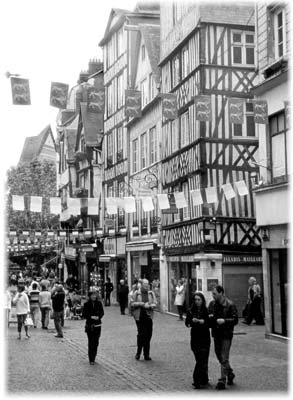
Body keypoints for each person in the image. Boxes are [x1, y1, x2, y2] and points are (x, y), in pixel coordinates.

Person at [208, 285, 238, 390]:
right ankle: (230, 373)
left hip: (226, 334)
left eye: (214, 293)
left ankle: (222, 380)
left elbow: (235, 320)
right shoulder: (212, 304)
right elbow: (209, 317)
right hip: (216, 334)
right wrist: (210, 318)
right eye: (212, 293)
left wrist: (224, 321)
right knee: (219, 356)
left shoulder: (230, 304)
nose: (213, 295)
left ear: (221, 293)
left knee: (224, 356)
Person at [185, 292, 211, 389]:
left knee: (203, 359)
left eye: (199, 300)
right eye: (195, 300)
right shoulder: (191, 311)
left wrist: (204, 322)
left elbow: (210, 323)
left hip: (205, 337)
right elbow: (187, 323)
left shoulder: (206, 310)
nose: (197, 302)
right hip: (195, 338)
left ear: (202, 300)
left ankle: (200, 379)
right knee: (199, 359)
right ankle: (200, 379)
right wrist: (192, 321)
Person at [130, 278, 157, 361]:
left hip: (149, 316)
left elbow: (155, 303)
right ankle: (138, 353)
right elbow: (132, 303)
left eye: (147, 284)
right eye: (145, 284)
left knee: (149, 335)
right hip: (140, 316)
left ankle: (146, 354)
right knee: (142, 335)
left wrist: (151, 305)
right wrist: (142, 304)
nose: (146, 286)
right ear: (141, 285)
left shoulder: (151, 293)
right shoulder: (136, 293)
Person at [82, 291, 104, 365]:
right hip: (90, 325)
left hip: (97, 325)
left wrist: (98, 317)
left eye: (95, 295)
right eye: (92, 295)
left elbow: (102, 312)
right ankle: (91, 358)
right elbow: (84, 314)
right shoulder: (86, 304)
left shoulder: (99, 304)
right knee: (91, 342)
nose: (94, 297)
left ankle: (94, 356)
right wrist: (91, 317)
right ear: (90, 296)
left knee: (96, 342)